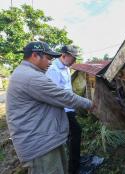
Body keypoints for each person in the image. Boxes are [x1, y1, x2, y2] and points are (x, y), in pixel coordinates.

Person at [6, 41, 93, 174]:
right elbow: (62, 96)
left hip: (44, 137)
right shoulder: (31, 77)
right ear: (35, 55)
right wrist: (90, 104)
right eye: (48, 58)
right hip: (39, 144)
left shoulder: (26, 73)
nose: (51, 62)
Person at [46, 45, 83, 174]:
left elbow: (67, 89)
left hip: (69, 108)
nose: (74, 61)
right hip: (61, 110)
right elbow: (56, 96)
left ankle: (73, 162)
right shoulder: (53, 70)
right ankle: (73, 168)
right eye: (73, 58)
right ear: (64, 55)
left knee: (71, 135)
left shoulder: (66, 68)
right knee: (76, 132)